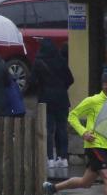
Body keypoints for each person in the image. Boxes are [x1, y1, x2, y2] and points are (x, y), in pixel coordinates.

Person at [31, 39, 74, 168]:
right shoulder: (61, 60)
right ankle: (63, 158)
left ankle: (50, 158)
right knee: (62, 128)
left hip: (46, 100)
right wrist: (61, 88)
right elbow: (70, 79)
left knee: (48, 129)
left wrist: (41, 88)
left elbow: (32, 81)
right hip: (62, 99)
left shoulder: (38, 62)